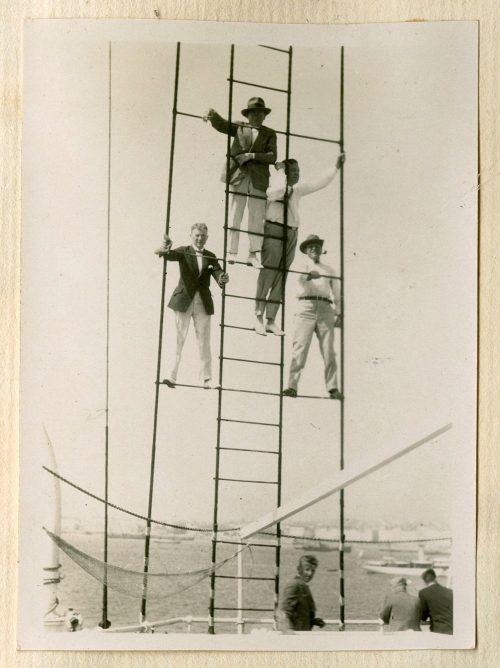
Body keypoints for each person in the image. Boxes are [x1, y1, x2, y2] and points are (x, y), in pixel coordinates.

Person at [254, 153, 345, 337]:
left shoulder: (298, 190)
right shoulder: (274, 187)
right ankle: (258, 317)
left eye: (298, 171)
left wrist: (335, 168)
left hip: (291, 233)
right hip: (274, 229)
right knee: (268, 272)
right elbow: (278, 190)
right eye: (292, 171)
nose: (296, 174)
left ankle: (271, 319)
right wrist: (280, 172)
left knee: (281, 275)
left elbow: (319, 182)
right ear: (284, 172)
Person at [204, 97, 277, 267]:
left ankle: (253, 254)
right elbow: (222, 124)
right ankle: (232, 251)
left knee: (256, 217)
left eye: (260, 113)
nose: (256, 116)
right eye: (253, 113)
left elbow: (273, 156)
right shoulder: (240, 127)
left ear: (264, 115)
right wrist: (212, 114)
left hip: (259, 179)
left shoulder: (269, 133)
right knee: (235, 213)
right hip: (239, 175)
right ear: (248, 115)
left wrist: (251, 156)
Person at [155, 223, 229, 389]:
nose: (200, 238)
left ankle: (207, 379)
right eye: (197, 235)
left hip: (202, 302)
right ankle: (171, 375)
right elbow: (166, 255)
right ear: (191, 235)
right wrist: (165, 247)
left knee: (204, 341)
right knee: (177, 338)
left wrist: (222, 278)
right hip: (183, 301)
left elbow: (218, 273)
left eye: (203, 236)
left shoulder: (211, 256)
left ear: (207, 237)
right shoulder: (184, 250)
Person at [282, 235, 342, 399]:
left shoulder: (329, 270)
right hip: (305, 307)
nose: (314, 249)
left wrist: (338, 312)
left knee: (329, 350)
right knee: (300, 347)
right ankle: (292, 386)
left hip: (325, 308)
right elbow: (299, 280)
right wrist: (308, 275)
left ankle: (332, 387)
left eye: (316, 246)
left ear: (321, 249)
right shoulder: (301, 265)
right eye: (311, 247)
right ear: (306, 250)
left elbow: (336, 291)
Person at [279, 555, 325, 632]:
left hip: (303, 635)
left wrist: (313, 621)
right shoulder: (294, 585)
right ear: (299, 569)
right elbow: (283, 612)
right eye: (307, 569)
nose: (310, 573)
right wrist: (289, 632)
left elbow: (300, 614)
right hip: (295, 638)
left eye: (313, 571)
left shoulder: (303, 586)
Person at [418, 568, 453, 634]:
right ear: (435, 578)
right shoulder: (450, 591)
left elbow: (423, 616)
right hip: (453, 628)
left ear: (424, 581)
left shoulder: (423, 592)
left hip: (439, 629)